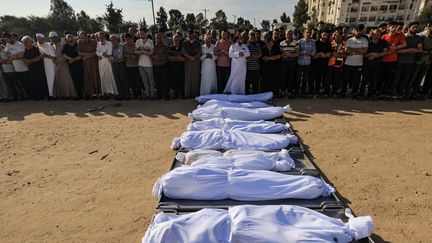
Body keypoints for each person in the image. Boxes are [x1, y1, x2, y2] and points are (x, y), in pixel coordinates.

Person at [392, 21, 422, 99]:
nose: (415, 29)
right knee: (396, 78)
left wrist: (405, 50)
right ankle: (393, 93)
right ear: (409, 28)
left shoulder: (418, 38)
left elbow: (419, 50)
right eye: (413, 27)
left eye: (417, 27)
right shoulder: (402, 37)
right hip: (400, 61)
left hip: (410, 62)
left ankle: (400, 93)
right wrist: (412, 50)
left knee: (405, 79)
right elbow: (397, 50)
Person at [340, 24, 368, 99]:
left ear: (362, 32)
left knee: (356, 80)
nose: (358, 32)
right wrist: (359, 50)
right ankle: (343, 92)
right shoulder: (349, 40)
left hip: (358, 64)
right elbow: (346, 50)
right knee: (345, 79)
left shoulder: (364, 40)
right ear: (354, 31)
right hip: (348, 63)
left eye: (360, 31)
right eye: (357, 31)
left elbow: (365, 51)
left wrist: (353, 51)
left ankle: (354, 93)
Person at [380, 21, 406, 97]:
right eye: (393, 27)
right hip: (383, 59)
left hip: (393, 60)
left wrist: (396, 47)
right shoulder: (384, 36)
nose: (394, 28)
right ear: (389, 27)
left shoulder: (400, 35)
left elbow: (404, 44)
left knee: (390, 77)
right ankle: (379, 92)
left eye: (396, 27)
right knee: (381, 76)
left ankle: (386, 92)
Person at [362, 29, 388, 99]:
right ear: (371, 34)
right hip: (367, 64)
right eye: (374, 34)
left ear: (380, 35)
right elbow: (363, 55)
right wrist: (371, 54)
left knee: (373, 80)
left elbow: (385, 52)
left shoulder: (383, 42)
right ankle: (361, 94)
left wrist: (375, 56)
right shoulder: (367, 42)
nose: (376, 36)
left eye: (378, 35)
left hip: (377, 64)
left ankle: (370, 94)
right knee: (364, 79)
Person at [5, 33, 32, 99]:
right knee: (21, 84)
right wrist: (16, 56)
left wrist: (12, 57)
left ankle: (31, 96)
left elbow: (21, 56)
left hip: (24, 68)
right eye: (6, 40)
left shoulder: (20, 44)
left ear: (12, 38)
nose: (7, 41)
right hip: (16, 68)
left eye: (8, 39)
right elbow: (7, 54)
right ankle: (25, 96)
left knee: (27, 83)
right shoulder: (8, 45)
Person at [49, 31, 77, 99]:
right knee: (59, 81)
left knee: (66, 80)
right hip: (57, 65)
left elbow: (65, 55)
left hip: (63, 65)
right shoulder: (52, 46)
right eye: (51, 38)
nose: (52, 40)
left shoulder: (62, 45)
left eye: (53, 38)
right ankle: (62, 95)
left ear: (57, 38)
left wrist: (58, 61)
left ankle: (69, 94)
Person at [21, 36, 48, 100]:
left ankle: (47, 95)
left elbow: (40, 57)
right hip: (32, 70)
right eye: (24, 42)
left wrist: (30, 61)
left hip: (40, 69)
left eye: (26, 42)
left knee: (43, 82)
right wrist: (32, 60)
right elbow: (25, 60)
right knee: (35, 83)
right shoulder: (25, 51)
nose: (25, 44)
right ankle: (39, 96)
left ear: (30, 41)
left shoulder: (37, 48)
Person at [78, 31, 101, 98]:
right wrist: (88, 55)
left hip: (94, 62)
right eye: (80, 37)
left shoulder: (94, 41)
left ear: (85, 35)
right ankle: (91, 93)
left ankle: (98, 92)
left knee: (95, 76)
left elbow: (96, 52)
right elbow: (79, 53)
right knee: (88, 78)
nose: (82, 38)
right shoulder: (80, 42)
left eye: (82, 36)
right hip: (86, 63)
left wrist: (87, 56)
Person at [310, 30, 332, 97]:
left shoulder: (328, 43)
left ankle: (317, 92)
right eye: (324, 34)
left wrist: (319, 54)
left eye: (327, 35)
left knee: (319, 79)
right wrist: (320, 53)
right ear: (321, 34)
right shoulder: (315, 42)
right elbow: (312, 55)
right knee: (312, 78)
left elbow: (328, 55)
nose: (325, 35)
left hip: (323, 64)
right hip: (314, 64)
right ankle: (310, 91)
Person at [324, 30, 346, 97]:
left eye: (340, 36)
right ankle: (326, 93)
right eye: (337, 36)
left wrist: (337, 55)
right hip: (330, 64)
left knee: (337, 80)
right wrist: (332, 54)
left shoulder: (344, 44)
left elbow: (345, 54)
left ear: (342, 37)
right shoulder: (331, 43)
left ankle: (334, 92)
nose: (338, 38)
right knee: (328, 79)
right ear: (334, 36)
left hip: (339, 64)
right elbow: (328, 53)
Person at [135, 28, 155, 99]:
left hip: (149, 64)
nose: (141, 35)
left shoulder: (150, 41)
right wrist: (145, 51)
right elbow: (135, 51)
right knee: (144, 80)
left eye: (143, 33)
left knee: (151, 80)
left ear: (146, 33)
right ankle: (147, 94)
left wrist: (142, 51)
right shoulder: (138, 41)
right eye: (140, 34)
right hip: (140, 64)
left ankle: (152, 94)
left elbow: (152, 52)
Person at [63, 34, 85, 99]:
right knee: (75, 81)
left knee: (82, 80)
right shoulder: (65, 46)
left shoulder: (77, 44)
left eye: (70, 37)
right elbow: (64, 54)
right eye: (68, 38)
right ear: (66, 39)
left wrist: (74, 59)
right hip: (72, 66)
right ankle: (79, 95)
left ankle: (86, 95)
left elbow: (81, 54)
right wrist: (70, 59)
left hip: (79, 65)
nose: (69, 39)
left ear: (73, 38)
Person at [96, 31, 117, 97]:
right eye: (100, 37)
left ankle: (112, 92)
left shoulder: (109, 43)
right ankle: (105, 92)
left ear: (104, 36)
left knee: (110, 76)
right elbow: (97, 52)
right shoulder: (98, 44)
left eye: (102, 36)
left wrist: (101, 54)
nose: (101, 38)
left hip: (108, 61)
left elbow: (109, 52)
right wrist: (102, 54)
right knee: (102, 76)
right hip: (101, 62)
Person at [296, 28, 316, 98]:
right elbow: (297, 53)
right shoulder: (299, 42)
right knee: (298, 79)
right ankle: (296, 92)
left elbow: (313, 53)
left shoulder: (313, 42)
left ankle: (302, 93)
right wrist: (305, 52)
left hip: (307, 64)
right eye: (307, 32)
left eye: (310, 32)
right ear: (304, 33)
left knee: (305, 79)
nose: (308, 34)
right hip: (300, 63)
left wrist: (305, 52)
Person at [181, 30, 202, 98]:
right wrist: (190, 57)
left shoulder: (198, 43)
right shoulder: (184, 42)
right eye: (189, 34)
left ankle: (195, 93)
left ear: (194, 35)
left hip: (196, 62)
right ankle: (187, 93)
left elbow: (199, 52)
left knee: (195, 78)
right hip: (188, 62)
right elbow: (183, 52)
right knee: (188, 77)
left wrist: (195, 58)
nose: (190, 35)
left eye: (192, 34)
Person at [35, 33, 56, 99]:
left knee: (52, 79)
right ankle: (50, 94)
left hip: (51, 65)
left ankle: (54, 94)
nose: (39, 40)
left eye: (40, 39)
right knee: (46, 80)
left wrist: (45, 56)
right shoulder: (38, 46)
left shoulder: (49, 46)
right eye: (38, 39)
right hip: (43, 65)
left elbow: (54, 57)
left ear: (43, 39)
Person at [279, 29, 299, 98]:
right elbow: (281, 54)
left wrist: (288, 55)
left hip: (292, 63)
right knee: (283, 78)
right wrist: (285, 55)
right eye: (287, 34)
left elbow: (297, 54)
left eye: (290, 34)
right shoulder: (281, 43)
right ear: (285, 35)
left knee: (291, 78)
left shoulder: (296, 43)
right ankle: (282, 91)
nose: (289, 36)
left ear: (292, 35)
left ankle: (290, 92)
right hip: (284, 63)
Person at [123, 33, 142, 99]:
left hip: (136, 65)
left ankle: (139, 94)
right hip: (128, 66)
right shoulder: (124, 45)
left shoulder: (136, 45)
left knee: (137, 81)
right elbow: (124, 54)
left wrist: (134, 56)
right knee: (131, 81)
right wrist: (130, 55)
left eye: (128, 39)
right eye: (125, 40)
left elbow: (138, 54)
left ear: (131, 39)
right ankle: (134, 94)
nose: (127, 41)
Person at [110, 34, 129, 100]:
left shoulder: (121, 46)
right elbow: (110, 55)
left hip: (121, 64)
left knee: (123, 79)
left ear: (116, 39)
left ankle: (126, 95)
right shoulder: (111, 47)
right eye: (111, 40)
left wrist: (114, 59)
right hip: (114, 65)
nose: (112, 41)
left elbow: (120, 55)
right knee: (117, 80)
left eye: (114, 40)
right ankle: (120, 95)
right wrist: (112, 59)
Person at [152, 32, 171, 100]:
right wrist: (154, 57)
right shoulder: (153, 47)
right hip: (156, 66)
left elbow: (167, 56)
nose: (157, 39)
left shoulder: (165, 46)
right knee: (157, 81)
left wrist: (159, 57)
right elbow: (151, 55)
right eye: (156, 38)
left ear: (161, 38)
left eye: (159, 38)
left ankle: (166, 95)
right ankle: (159, 95)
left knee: (165, 81)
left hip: (164, 65)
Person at [168, 34, 186, 99]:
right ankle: (176, 94)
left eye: (177, 40)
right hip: (173, 68)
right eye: (174, 40)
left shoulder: (182, 48)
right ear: (173, 40)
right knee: (174, 82)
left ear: (179, 40)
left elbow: (183, 59)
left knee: (181, 81)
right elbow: (170, 58)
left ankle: (182, 94)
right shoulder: (170, 48)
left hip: (181, 68)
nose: (176, 41)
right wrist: (178, 58)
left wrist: (175, 58)